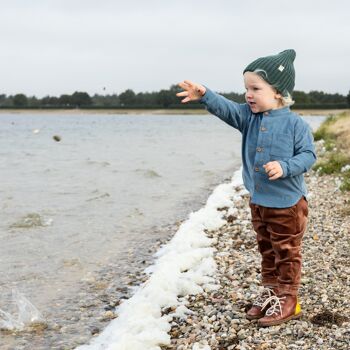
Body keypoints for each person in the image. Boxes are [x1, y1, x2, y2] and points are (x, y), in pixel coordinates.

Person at [176, 49, 316, 327]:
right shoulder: (248, 117)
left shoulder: (295, 124)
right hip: (259, 201)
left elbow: (308, 156)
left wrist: (285, 167)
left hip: (287, 203)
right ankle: (271, 292)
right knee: (267, 250)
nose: (248, 95)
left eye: (255, 88)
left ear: (278, 92)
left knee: (286, 251)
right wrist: (205, 94)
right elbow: (226, 108)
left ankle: (289, 299)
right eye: (245, 89)